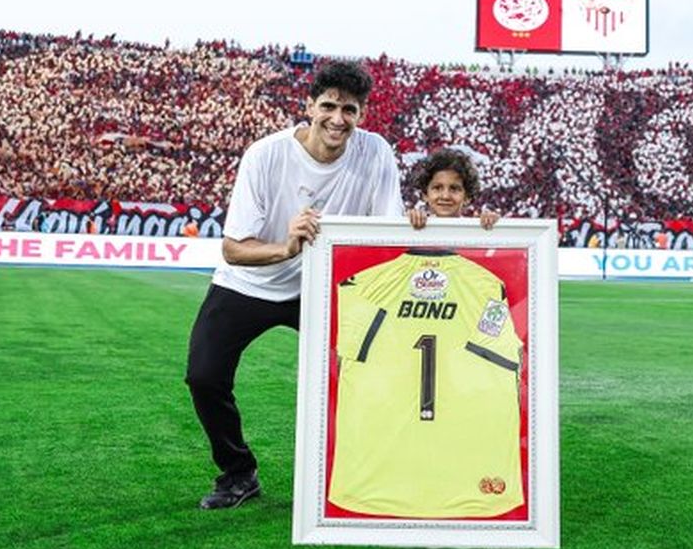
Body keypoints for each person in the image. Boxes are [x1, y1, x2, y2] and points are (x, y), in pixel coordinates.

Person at [186, 60, 403, 510]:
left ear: (362, 114)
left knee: (379, 372)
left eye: (350, 109)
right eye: (328, 106)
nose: (338, 119)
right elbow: (233, 249)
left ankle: (368, 474)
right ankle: (238, 472)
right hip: (251, 282)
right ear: (309, 106)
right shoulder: (265, 155)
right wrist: (286, 248)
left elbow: (389, 236)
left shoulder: (376, 152)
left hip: (325, 288)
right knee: (204, 376)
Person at [406, 147, 500, 230]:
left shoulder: (476, 229)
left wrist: (494, 225)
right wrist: (407, 222)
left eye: (454, 189)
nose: (445, 196)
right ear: (425, 194)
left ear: (467, 197)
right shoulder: (408, 226)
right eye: (437, 188)